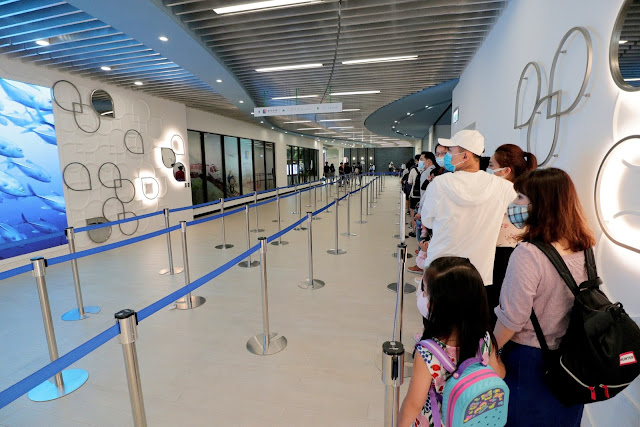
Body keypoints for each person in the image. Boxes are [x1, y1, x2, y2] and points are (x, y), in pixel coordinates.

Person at [494, 168, 595, 426]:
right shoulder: (584, 248)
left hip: (530, 361)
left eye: (520, 198)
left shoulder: (528, 254)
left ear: (541, 205)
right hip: (573, 360)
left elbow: (512, 318)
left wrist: (489, 350)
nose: (513, 204)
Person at [399, 257, 505, 426]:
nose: (422, 296)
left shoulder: (427, 354)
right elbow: (498, 374)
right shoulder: (484, 339)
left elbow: (413, 404)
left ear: (440, 306)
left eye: (425, 292)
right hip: (470, 420)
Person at [419, 129, 516, 291]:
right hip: (478, 273)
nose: (447, 156)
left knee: (436, 315)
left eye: (450, 151)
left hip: (439, 267)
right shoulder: (503, 187)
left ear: (466, 156)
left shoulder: (440, 183)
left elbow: (427, 220)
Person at [486, 144, 538, 324]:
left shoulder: (502, 193)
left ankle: (491, 347)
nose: (488, 170)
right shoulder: (524, 192)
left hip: (499, 255)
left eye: (491, 166)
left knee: (493, 305)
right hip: (516, 253)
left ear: (506, 170)